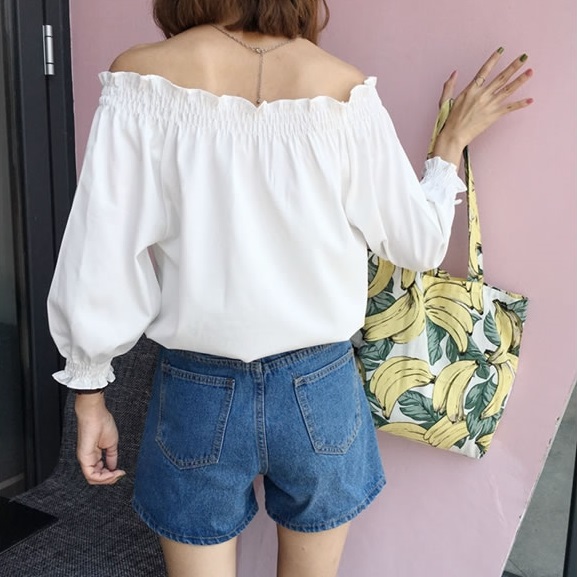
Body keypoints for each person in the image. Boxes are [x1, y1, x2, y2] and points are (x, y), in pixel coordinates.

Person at [47, 1, 533, 576]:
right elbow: (418, 244)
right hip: (320, 389)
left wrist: (90, 392)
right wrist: (448, 147)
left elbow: (100, 249)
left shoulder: (142, 80)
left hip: (198, 391)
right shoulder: (345, 90)